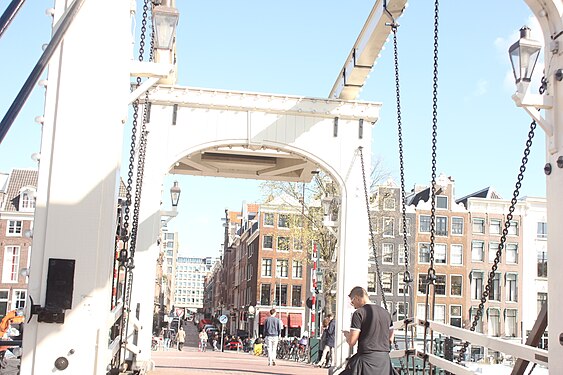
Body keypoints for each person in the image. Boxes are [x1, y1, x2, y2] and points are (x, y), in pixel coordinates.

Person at [341, 286, 393, 375]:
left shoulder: (359, 313)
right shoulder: (386, 313)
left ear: (357, 298)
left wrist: (347, 335)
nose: (353, 306)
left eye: (352, 302)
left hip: (366, 360)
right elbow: (391, 339)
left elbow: (352, 342)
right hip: (384, 361)